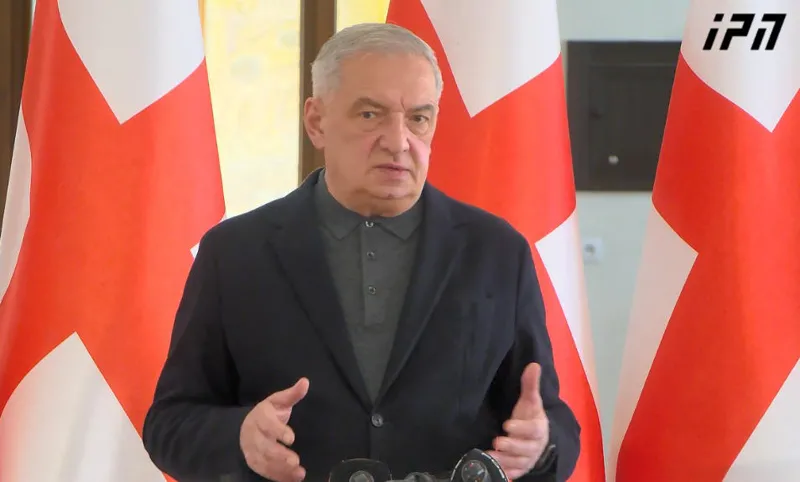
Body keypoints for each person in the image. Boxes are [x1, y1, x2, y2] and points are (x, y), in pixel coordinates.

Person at [142, 22, 580, 482]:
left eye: (418, 118)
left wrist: (539, 446)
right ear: (316, 122)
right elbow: (170, 423)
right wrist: (240, 438)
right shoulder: (235, 253)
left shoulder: (497, 251)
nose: (399, 141)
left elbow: (550, 419)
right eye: (371, 115)